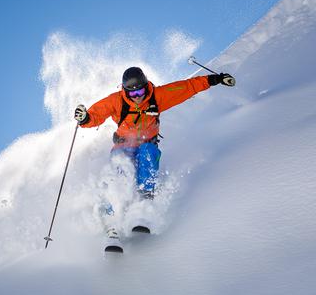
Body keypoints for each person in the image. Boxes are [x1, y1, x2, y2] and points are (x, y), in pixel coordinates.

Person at [74, 66, 235, 198]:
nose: (137, 97)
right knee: (121, 162)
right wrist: (85, 118)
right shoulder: (116, 100)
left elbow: (187, 87)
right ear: (125, 91)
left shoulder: (157, 97)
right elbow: (96, 115)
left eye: (140, 92)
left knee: (149, 153)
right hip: (124, 144)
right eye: (132, 93)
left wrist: (216, 79)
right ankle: (113, 206)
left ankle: (145, 198)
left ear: (146, 88)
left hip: (147, 144)